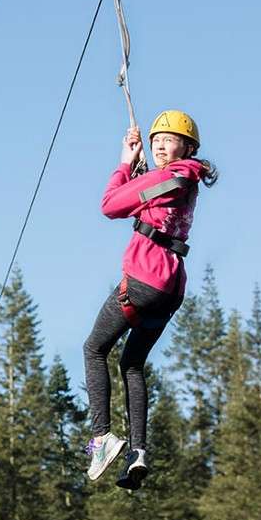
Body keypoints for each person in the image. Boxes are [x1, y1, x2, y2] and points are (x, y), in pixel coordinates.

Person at [83, 110, 217, 489]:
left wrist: (124, 164)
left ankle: (102, 437)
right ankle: (138, 451)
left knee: (94, 348)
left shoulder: (171, 176)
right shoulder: (180, 179)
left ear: (187, 147)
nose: (160, 142)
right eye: (156, 137)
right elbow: (144, 200)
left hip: (145, 279)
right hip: (170, 288)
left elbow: (110, 205)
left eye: (168, 139)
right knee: (132, 364)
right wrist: (137, 168)